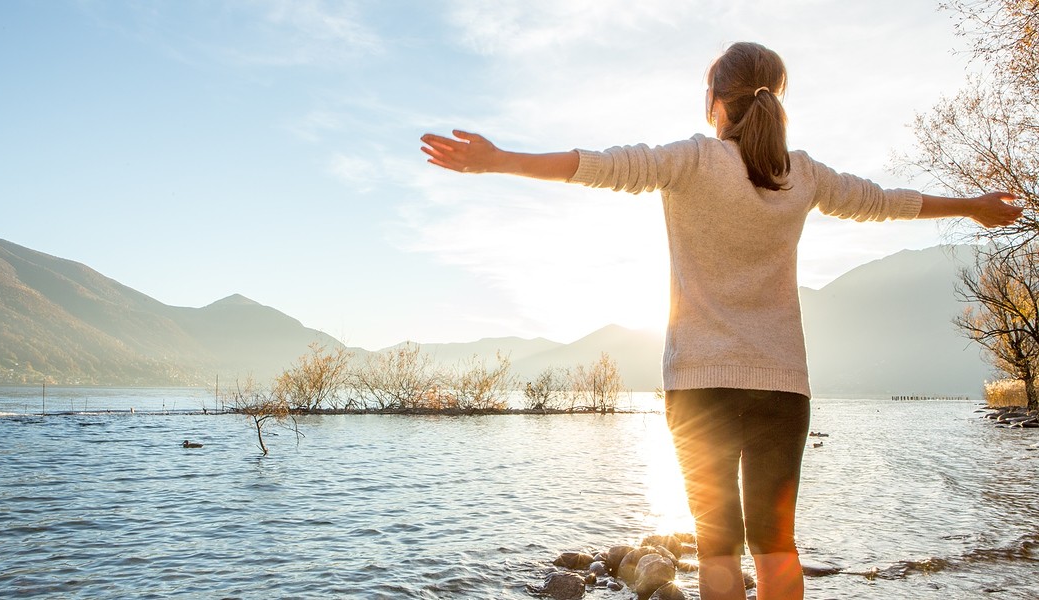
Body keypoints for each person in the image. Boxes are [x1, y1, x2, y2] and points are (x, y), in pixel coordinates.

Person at [420, 41, 1022, 600]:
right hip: (782, 386)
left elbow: (599, 166)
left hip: (699, 383)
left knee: (717, 548)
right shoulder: (802, 173)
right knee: (777, 546)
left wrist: (498, 160)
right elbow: (885, 202)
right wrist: (972, 208)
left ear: (714, 102)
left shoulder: (692, 161)